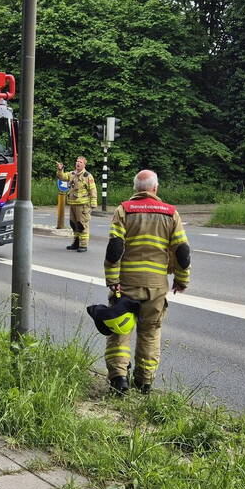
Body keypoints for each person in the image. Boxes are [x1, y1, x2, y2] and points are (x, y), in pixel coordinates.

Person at [102, 169, 191, 395]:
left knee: (120, 331)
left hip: (126, 285)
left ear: (135, 189)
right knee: (150, 333)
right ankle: (144, 382)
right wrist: (181, 280)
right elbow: (182, 251)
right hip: (156, 287)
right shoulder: (171, 214)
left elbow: (115, 248)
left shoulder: (124, 210)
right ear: (155, 188)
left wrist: (112, 280)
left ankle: (119, 380)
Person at [56, 156, 98, 252]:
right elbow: (61, 177)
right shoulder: (72, 174)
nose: (78, 163)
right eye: (77, 161)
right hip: (73, 204)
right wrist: (60, 169)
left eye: (80, 162)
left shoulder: (87, 176)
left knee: (82, 225)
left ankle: (83, 245)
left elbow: (92, 190)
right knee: (74, 224)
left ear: (84, 165)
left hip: (83, 205)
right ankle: (76, 243)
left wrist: (93, 203)